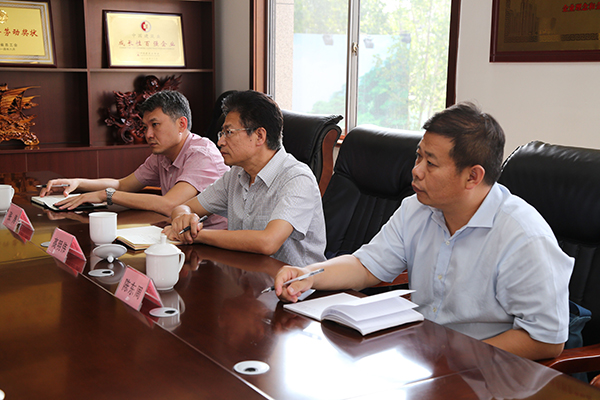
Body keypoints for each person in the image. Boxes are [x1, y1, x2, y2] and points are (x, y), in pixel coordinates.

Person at [273, 102, 574, 361]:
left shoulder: (523, 236)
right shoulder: (417, 209)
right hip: (424, 357)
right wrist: (308, 274)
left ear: (473, 176)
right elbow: (366, 266)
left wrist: (459, 358)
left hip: (486, 375)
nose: (416, 171)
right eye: (419, 156)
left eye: (431, 163)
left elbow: (546, 339)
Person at [163, 90, 326, 266]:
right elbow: (184, 207)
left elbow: (268, 242)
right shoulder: (236, 174)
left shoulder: (297, 179)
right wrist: (184, 219)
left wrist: (196, 234)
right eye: (222, 133)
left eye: (229, 132)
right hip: (246, 274)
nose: (220, 142)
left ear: (259, 136)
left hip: (293, 281)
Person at [39, 90, 229, 226]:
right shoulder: (162, 154)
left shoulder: (202, 154)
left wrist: (106, 195)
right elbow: (122, 184)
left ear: (181, 124)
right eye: (146, 127)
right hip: (183, 233)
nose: (148, 134)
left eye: (155, 125)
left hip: (217, 242)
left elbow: (170, 204)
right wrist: (78, 183)